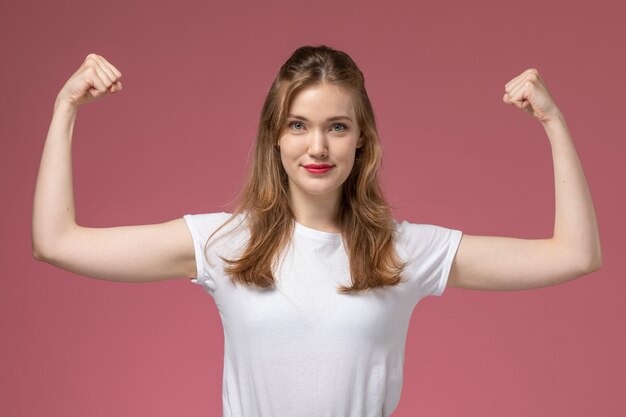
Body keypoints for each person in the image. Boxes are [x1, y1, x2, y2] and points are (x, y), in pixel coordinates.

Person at [32, 45, 602, 417]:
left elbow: (575, 255)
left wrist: (553, 123)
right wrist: (66, 108)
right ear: (275, 139)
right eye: (298, 126)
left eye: (337, 126)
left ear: (361, 140)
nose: (318, 147)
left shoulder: (402, 251)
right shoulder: (226, 243)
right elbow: (55, 242)